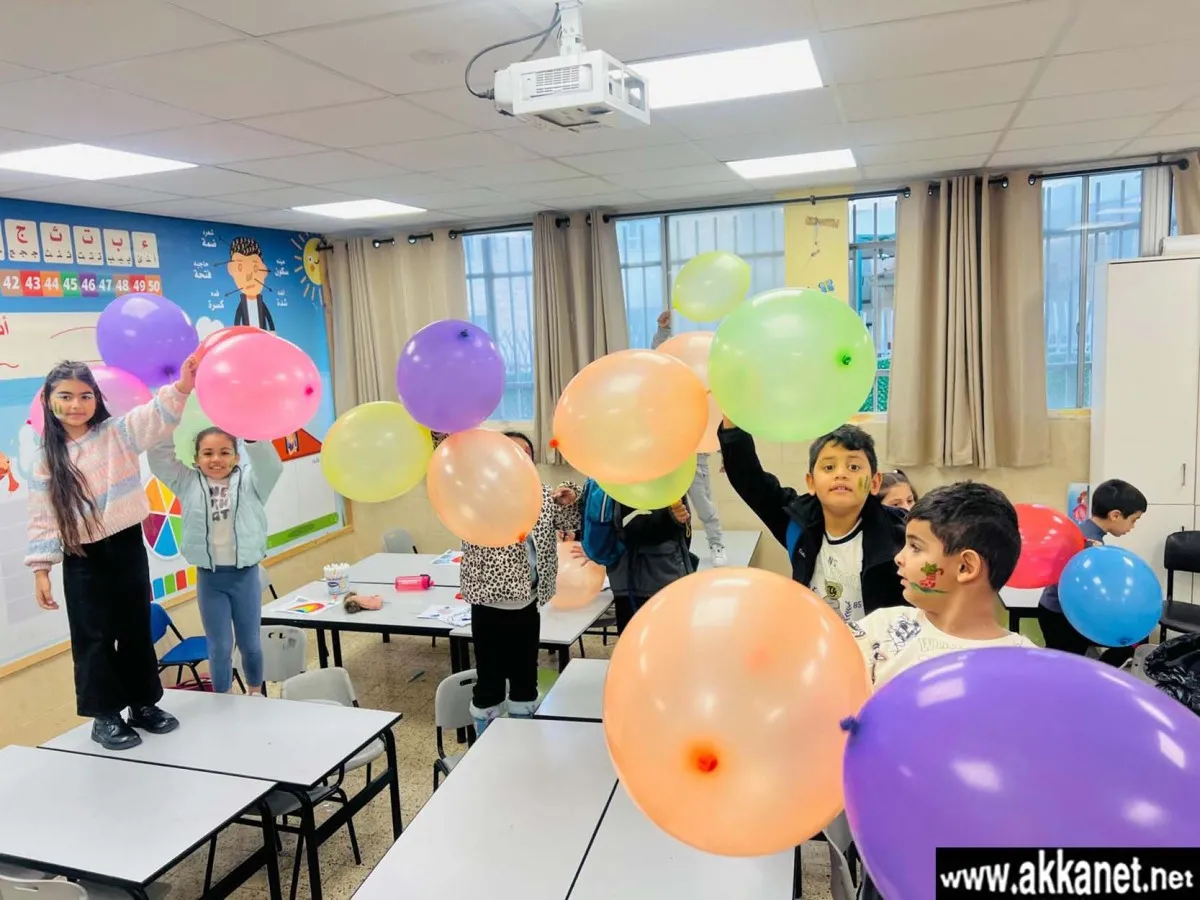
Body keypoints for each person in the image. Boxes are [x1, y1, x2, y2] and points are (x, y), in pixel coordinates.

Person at [844, 482, 1036, 900]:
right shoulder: (882, 631)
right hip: (888, 848)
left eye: (916, 547)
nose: (899, 557)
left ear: (965, 566)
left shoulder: (1026, 667)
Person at [26, 358, 197, 751]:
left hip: (126, 545)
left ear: (97, 399)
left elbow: (156, 415)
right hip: (82, 556)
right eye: (65, 396)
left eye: (85, 396)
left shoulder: (117, 432)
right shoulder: (47, 459)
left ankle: (143, 704)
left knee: (135, 628)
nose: (76, 404)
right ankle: (105, 717)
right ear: (48, 400)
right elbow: (42, 517)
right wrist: (41, 569)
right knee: (94, 637)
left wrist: (183, 386)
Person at [718, 419, 906, 625]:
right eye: (829, 467)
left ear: (875, 483)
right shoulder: (798, 522)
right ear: (811, 482)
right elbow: (750, 480)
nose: (841, 474)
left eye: (853, 467)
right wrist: (732, 422)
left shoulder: (901, 533)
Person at [457, 432, 581, 735]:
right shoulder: (479, 494)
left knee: (526, 676)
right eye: (511, 453)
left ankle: (523, 736)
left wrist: (570, 498)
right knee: (490, 679)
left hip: (528, 601)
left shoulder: (541, 494)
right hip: (489, 601)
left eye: (525, 454)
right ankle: (486, 739)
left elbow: (568, 523)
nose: (518, 459)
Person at [147, 426, 283, 696]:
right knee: (219, 646)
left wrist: (253, 437)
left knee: (250, 643)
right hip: (210, 579)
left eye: (224, 452)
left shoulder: (251, 482)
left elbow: (271, 467)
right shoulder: (187, 482)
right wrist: (165, 424)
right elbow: (160, 460)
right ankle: (223, 697)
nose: (216, 459)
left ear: (236, 456)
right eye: (207, 453)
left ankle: (255, 691)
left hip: (245, 576)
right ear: (196, 459)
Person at [1037, 478, 1146, 665]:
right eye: (1133, 520)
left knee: (1063, 664)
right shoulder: (1090, 543)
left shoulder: (1085, 532)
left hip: (1054, 610)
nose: (1132, 527)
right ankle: (1097, 674)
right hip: (1063, 616)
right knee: (1067, 666)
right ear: (1115, 515)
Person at [652, 311, 726, 565]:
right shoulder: (667, 385)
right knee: (668, 506)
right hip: (667, 455)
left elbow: (717, 416)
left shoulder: (703, 388)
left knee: (703, 503)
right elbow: (654, 360)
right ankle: (678, 548)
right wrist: (663, 331)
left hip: (695, 455)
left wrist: (725, 453)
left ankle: (717, 544)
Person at [606, 496, 697, 633]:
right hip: (641, 583)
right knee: (640, 641)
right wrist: (671, 518)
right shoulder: (627, 487)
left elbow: (682, 532)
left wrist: (678, 520)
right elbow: (629, 528)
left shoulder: (670, 485)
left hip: (668, 572)